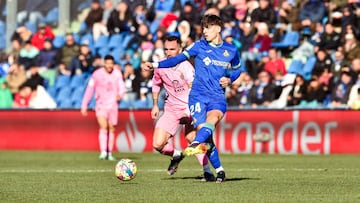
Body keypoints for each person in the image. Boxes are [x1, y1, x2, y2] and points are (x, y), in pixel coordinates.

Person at [144, 14, 247, 183]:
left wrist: (230, 79)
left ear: (218, 29)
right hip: (198, 98)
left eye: (208, 28)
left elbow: (237, 69)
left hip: (217, 97)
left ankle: (196, 150)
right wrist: (155, 65)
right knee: (205, 135)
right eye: (203, 28)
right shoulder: (198, 46)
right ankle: (218, 169)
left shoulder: (231, 50)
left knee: (210, 123)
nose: (204, 31)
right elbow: (176, 59)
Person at [151, 35, 215, 181]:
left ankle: (207, 171)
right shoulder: (160, 66)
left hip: (189, 106)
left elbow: (195, 89)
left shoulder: (186, 67)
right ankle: (176, 155)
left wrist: (192, 111)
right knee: (157, 144)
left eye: (172, 49)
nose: (169, 52)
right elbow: (155, 84)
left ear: (180, 49)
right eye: (166, 49)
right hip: (171, 110)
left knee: (192, 138)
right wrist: (155, 104)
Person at [81, 55, 126, 161]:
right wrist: (84, 105)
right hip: (101, 104)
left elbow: (122, 86)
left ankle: (109, 153)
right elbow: (90, 89)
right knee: (103, 126)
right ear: (104, 63)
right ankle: (103, 152)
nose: (109, 65)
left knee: (112, 128)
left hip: (113, 105)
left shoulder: (117, 73)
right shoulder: (96, 74)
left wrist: (120, 94)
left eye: (111, 63)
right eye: (107, 63)